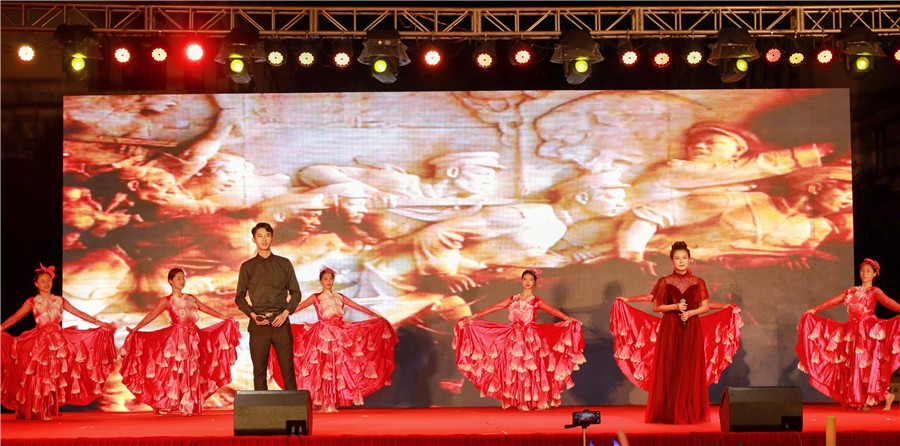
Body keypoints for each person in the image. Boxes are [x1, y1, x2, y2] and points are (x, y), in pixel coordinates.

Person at [610, 242, 743, 424]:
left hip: (691, 327)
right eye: (677, 258)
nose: (681, 261)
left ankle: (688, 410)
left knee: (689, 368)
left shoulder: (698, 282)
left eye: (684, 258)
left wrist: (694, 312)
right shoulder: (664, 281)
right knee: (671, 367)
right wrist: (673, 307)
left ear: (689, 260)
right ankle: (669, 411)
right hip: (670, 327)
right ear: (672, 261)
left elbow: (704, 306)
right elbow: (656, 305)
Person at [453, 269, 586, 410]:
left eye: (531, 279)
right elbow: (496, 307)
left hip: (530, 338)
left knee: (530, 369)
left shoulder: (536, 301)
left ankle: (531, 400)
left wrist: (567, 319)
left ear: (534, 282)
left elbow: (551, 310)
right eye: (525, 279)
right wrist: (475, 316)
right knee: (515, 369)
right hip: (514, 337)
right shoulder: (513, 299)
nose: (528, 282)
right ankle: (519, 399)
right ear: (521, 281)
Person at [271, 267, 397, 412]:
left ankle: (332, 401)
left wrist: (376, 316)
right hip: (322, 336)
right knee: (323, 368)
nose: (328, 282)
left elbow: (357, 307)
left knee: (337, 368)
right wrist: (281, 316)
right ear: (320, 281)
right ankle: (324, 401)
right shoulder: (316, 297)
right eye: (325, 279)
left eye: (331, 279)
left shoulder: (340, 297)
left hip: (339, 335)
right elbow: (296, 309)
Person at [0, 264, 117, 420]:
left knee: (54, 374)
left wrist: (99, 323)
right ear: (36, 283)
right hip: (39, 341)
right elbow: (16, 316)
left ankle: (48, 408)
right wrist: (2, 327)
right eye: (42, 281)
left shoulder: (60, 300)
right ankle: (37, 408)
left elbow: (79, 313)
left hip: (58, 341)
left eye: (48, 280)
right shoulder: (32, 301)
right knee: (39, 375)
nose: (46, 283)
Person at [119, 267, 240, 416]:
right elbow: (152, 314)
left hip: (193, 338)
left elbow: (205, 308)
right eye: (178, 278)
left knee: (192, 369)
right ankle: (167, 403)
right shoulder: (167, 301)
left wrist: (223, 317)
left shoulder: (190, 298)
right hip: (176, 340)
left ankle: (188, 404)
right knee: (174, 371)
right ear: (171, 281)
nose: (182, 281)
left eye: (183, 278)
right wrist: (137, 328)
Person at [797, 258, 900, 410]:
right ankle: (866, 399)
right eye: (862, 270)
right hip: (851, 332)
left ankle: (881, 396)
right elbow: (833, 301)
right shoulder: (851, 291)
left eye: (868, 271)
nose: (864, 273)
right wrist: (815, 309)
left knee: (865, 366)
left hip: (866, 332)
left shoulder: (874, 291)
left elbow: (888, 302)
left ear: (874, 274)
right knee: (853, 365)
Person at [235, 222, 303, 390]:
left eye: (267, 235)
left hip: (281, 322)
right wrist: (253, 316)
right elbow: (239, 298)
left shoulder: (284, 264)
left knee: (287, 370)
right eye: (259, 236)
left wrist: (285, 314)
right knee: (259, 371)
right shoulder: (247, 267)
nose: (264, 239)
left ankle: (292, 405)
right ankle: (261, 407)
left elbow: (296, 293)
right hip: (258, 324)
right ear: (254, 239)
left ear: (272, 237)